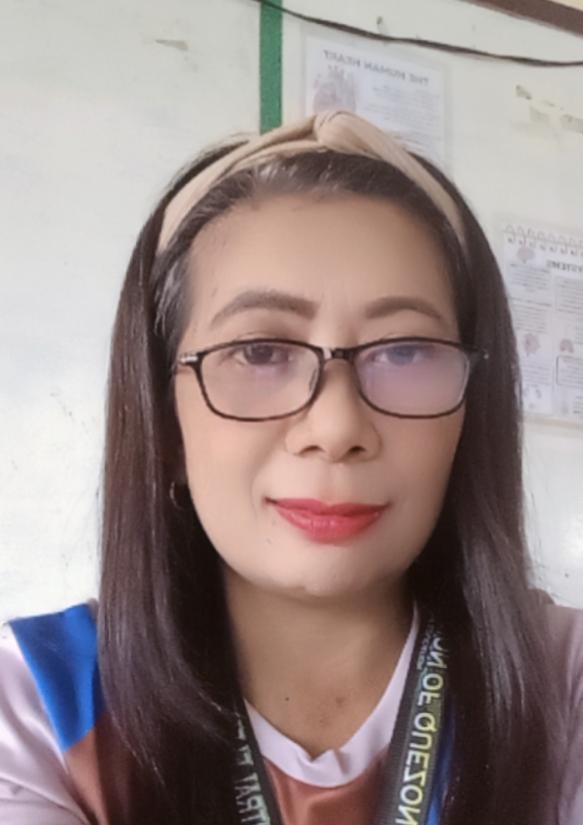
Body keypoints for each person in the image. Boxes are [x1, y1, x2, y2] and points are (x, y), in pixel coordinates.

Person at [0, 110, 581, 825]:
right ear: (164, 422)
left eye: (404, 351)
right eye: (259, 351)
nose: (336, 429)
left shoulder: (565, 683)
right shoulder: (34, 706)